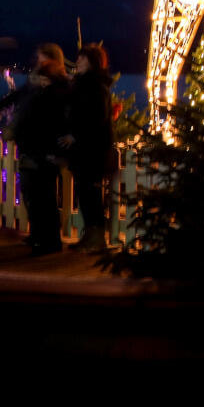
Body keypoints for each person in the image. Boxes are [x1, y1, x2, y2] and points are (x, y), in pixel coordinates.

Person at [14, 43, 74, 255]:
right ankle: (39, 236)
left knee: (45, 197)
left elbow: (56, 117)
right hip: (32, 147)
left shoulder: (60, 86)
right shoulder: (37, 85)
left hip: (45, 148)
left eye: (42, 59)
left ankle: (49, 241)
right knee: (32, 194)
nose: (38, 63)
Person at [62, 43, 115, 252]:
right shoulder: (81, 84)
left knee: (92, 196)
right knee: (84, 195)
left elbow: (97, 119)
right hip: (83, 152)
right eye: (78, 58)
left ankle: (97, 239)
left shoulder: (97, 87)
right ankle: (89, 236)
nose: (78, 62)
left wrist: (75, 135)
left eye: (83, 59)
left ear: (92, 63)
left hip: (94, 151)